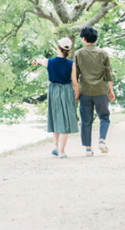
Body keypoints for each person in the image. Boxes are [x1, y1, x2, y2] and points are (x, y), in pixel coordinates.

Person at [31, 37, 79, 158]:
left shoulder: (50, 62)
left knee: (56, 117)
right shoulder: (71, 64)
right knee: (66, 120)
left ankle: (56, 146)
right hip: (66, 90)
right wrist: (77, 94)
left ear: (58, 47)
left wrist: (36, 60)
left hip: (53, 90)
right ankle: (62, 152)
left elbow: (41, 61)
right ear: (68, 50)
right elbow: (74, 82)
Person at [72, 26, 114, 156]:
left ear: (83, 39)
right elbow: (109, 74)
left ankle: (88, 149)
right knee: (105, 117)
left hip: (85, 92)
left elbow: (75, 75)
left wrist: (77, 92)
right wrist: (110, 91)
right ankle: (102, 140)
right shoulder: (103, 53)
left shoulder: (78, 53)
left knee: (86, 120)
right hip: (100, 91)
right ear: (95, 39)